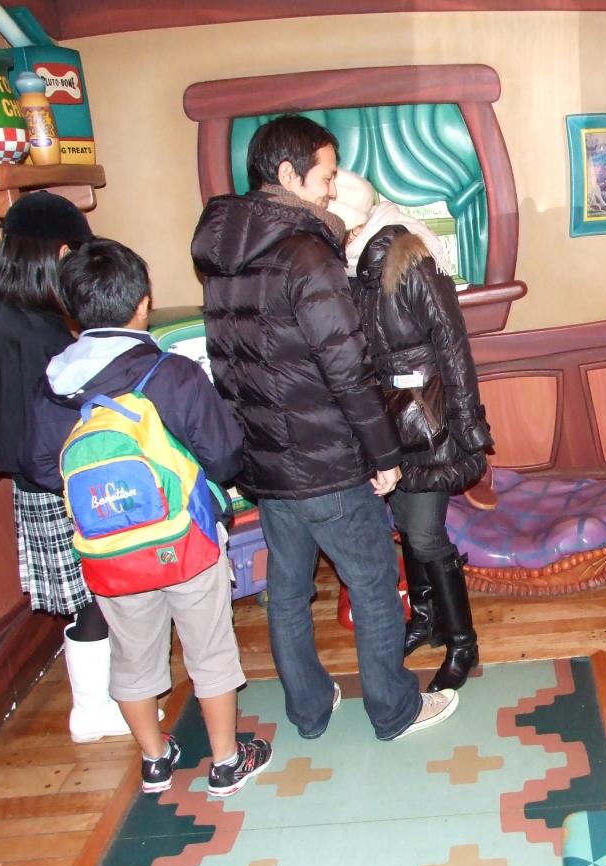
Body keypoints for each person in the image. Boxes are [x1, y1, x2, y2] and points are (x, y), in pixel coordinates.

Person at [190, 114, 457, 741]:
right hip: (327, 462)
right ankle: (394, 710)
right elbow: (348, 369)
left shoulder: (223, 260)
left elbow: (228, 368)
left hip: (267, 462)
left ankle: (309, 710)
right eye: (327, 177)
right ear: (289, 175)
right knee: (373, 582)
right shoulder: (307, 255)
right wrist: (384, 454)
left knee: (287, 590)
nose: (333, 191)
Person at [19, 239, 270, 797]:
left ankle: (155, 760)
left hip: (108, 547)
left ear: (72, 309)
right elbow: (225, 456)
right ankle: (226, 762)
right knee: (209, 648)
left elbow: (38, 466)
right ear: (143, 303)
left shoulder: (53, 383)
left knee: (132, 654)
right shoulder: (170, 374)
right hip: (186, 540)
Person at [0, 191, 133, 744]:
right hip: (56, 484)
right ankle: (92, 709)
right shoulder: (30, 330)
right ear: (61, 253)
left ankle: (100, 704)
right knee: (95, 596)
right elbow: (42, 429)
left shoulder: (1, 312)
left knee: (94, 596)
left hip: (40, 480)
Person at [333, 171, 492, 692]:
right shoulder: (353, 271)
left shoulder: (409, 260)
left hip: (430, 421)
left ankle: (463, 642)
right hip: (387, 425)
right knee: (406, 525)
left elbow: (453, 346)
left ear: (352, 223)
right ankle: (426, 619)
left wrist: (467, 425)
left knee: (425, 533)